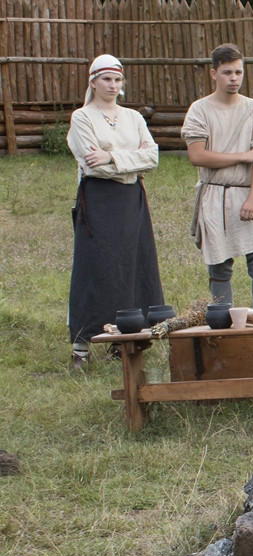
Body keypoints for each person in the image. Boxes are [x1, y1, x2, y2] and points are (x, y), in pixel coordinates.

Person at [66, 54, 164, 368]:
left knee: (131, 268)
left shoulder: (133, 117)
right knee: (96, 269)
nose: (113, 85)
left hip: (130, 200)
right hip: (98, 201)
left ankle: (123, 340)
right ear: (93, 81)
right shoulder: (82, 117)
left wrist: (110, 158)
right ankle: (82, 344)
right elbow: (89, 165)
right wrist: (124, 162)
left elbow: (152, 157)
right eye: (106, 79)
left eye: (117, 79)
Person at [181, 43, 253, 311]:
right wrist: (243, 156)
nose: (234, 78)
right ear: (214, 74)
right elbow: (197, 156)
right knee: (219, 265)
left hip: (246, 193)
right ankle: (223, 327)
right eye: (227, 73)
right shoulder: (200, 110)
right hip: (213, 195)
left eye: (238, 72)